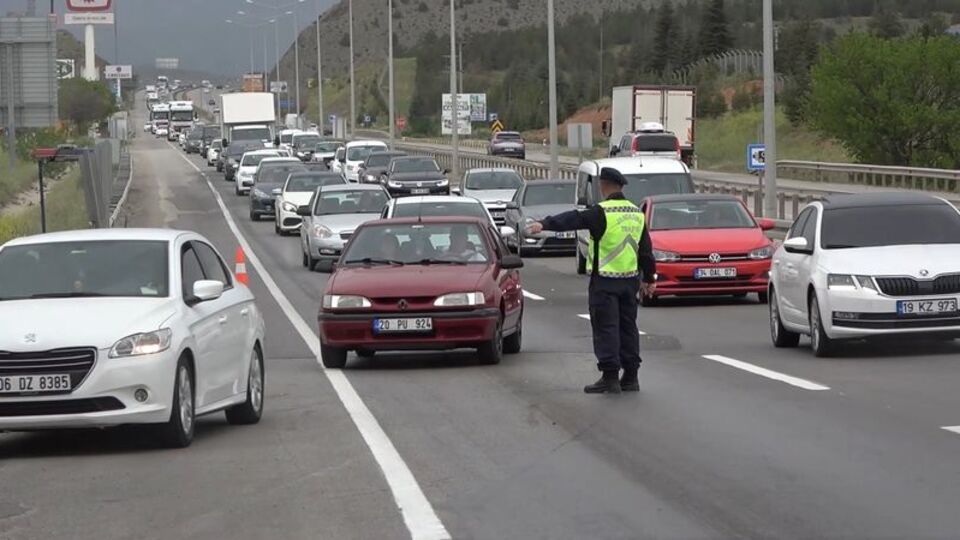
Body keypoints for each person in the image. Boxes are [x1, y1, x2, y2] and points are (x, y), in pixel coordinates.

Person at [526, 167, 656, 394]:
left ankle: (610, 377)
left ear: (603, 186)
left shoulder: (601, 212)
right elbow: (646, 250)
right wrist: (650, 278)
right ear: (621, 187)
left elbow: (573, 219)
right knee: (628, 328)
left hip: (605, 282)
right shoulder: (636, 213)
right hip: (630, 282)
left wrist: (544, 224)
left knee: (606, 327)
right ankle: (631, 377)